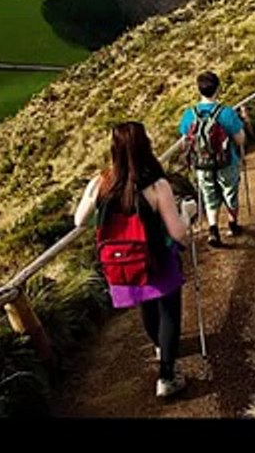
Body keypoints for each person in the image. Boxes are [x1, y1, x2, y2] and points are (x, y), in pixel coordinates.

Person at [74, 121, 190, 399]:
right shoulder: (157, 185)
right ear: (145, 145)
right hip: (157, 259)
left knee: (147, 307)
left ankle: (161, 349)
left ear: (114, 149)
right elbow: (178, 234)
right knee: (169, 313)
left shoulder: (101, 182)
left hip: (122, 263)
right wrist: (187, 213)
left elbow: (79, 220)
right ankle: (167, 376)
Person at [178, 70, 249, 248]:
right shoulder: (226, 113)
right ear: (218, 88)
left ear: (199, 90)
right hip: (227, 161)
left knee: (210, 196)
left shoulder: (189, 114)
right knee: (230, 192)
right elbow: (240, 139)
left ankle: (213, 230)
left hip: (202, 164)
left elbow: (185, 140)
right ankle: (233, 224)